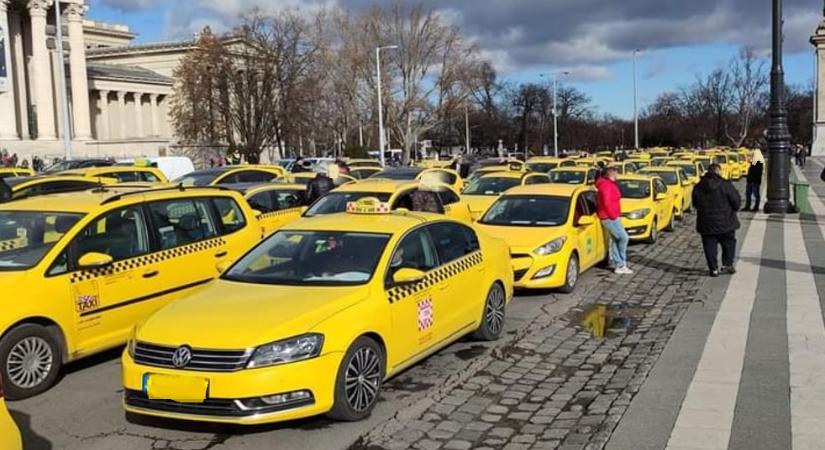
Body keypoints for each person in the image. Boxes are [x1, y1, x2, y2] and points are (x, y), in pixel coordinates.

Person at [692, 163, 741, 277]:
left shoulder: (699, 186)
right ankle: (727, 264)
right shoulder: (726, 185)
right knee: (729, 243)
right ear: (718, 172)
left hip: (706, 223)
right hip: (726, 222)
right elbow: (736, 202)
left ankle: (713, 269)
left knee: (709, 246)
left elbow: (695, 203)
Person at [595, 165, 632, 274]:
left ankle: (620, 264)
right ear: (610, 174)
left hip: (612, 216)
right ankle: (620, 263)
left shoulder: (608, 184)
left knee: (617, 239)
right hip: (609, 216)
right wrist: (613, 215)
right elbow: (606, 202)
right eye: (615, 172)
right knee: (624, 238)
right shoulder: (606, 185)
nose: (617, 174)